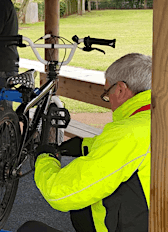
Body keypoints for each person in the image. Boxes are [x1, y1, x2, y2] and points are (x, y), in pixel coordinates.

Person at [19, 53, 152, 232]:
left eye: (107, 94)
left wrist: (45, 157)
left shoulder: (128, 133)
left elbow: (59, 192)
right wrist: (82, 145)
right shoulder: (151, 120)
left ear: (120, 89)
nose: (109, 101)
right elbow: (127, 153)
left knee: (29, 230)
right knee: (82, 210)